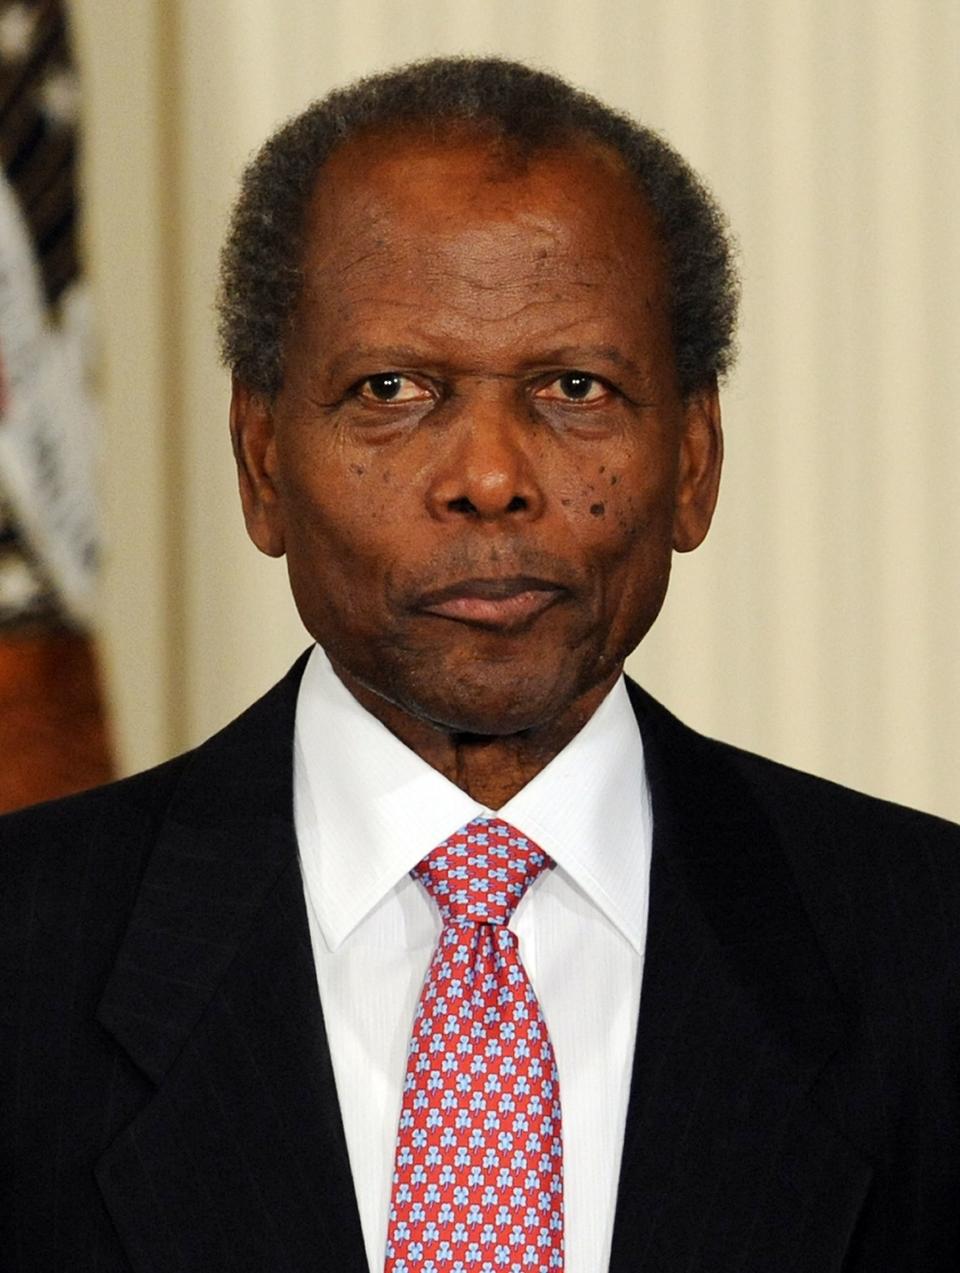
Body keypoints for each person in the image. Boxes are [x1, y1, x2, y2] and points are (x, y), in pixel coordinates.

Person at [2, 56, 958, 1273]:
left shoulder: (929, 957)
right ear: (260, 460)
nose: (492, 474)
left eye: (575, 386)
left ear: (695, 460)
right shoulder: (25, 960)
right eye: (393, 389)